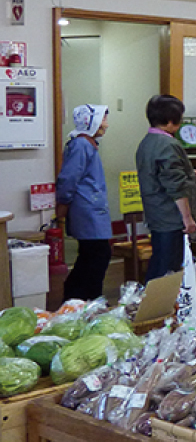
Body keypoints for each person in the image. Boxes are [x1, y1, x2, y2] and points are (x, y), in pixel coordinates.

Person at [135, 95, 196, 281]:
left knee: (159, 263)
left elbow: (163, 174)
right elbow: (175, 186)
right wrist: (187, 218)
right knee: (168, 270)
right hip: (171, 216)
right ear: (172, 121)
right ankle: (159, 307)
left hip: (157, 214)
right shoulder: (168, 144)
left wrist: (188, 173)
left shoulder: (147, 141)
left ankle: (149, 304)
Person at [56, 104, 111, 300]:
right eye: (103, 119)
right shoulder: (81, 145)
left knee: (92, 257)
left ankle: (81, 299)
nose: (106, 125)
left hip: (91, 209)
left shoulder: (87, 145)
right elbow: (68, 178)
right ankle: (83, 300)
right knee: (96, 256)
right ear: (92, 121)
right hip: (87, 211)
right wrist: (62, 204)